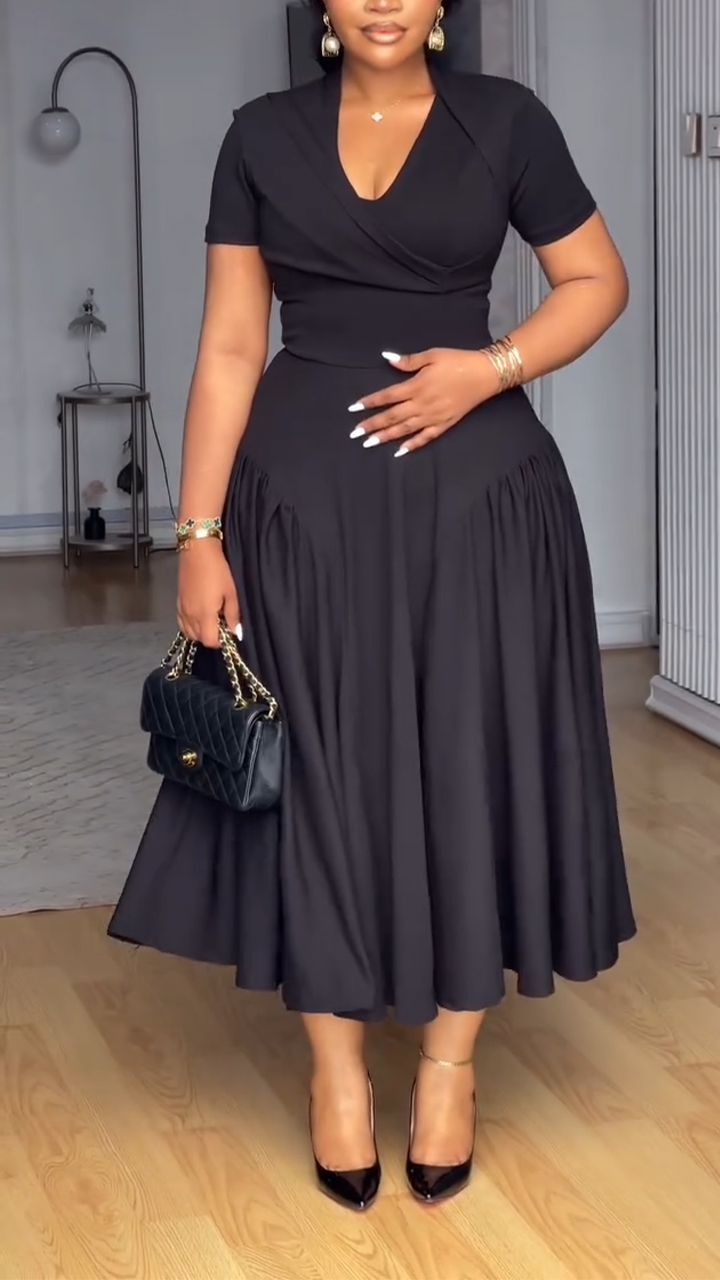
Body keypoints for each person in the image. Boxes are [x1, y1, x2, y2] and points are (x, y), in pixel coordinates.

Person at [109, 0, 636, 1211]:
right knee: (324, 777)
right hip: (301, 508)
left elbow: (595, 279)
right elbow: (230, 345)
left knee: (471, 761)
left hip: (483, 503)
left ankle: (449, 1062)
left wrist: (490, 369)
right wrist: (197, 533)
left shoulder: (507, 121)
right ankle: (336, 1069)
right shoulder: (259, 135)